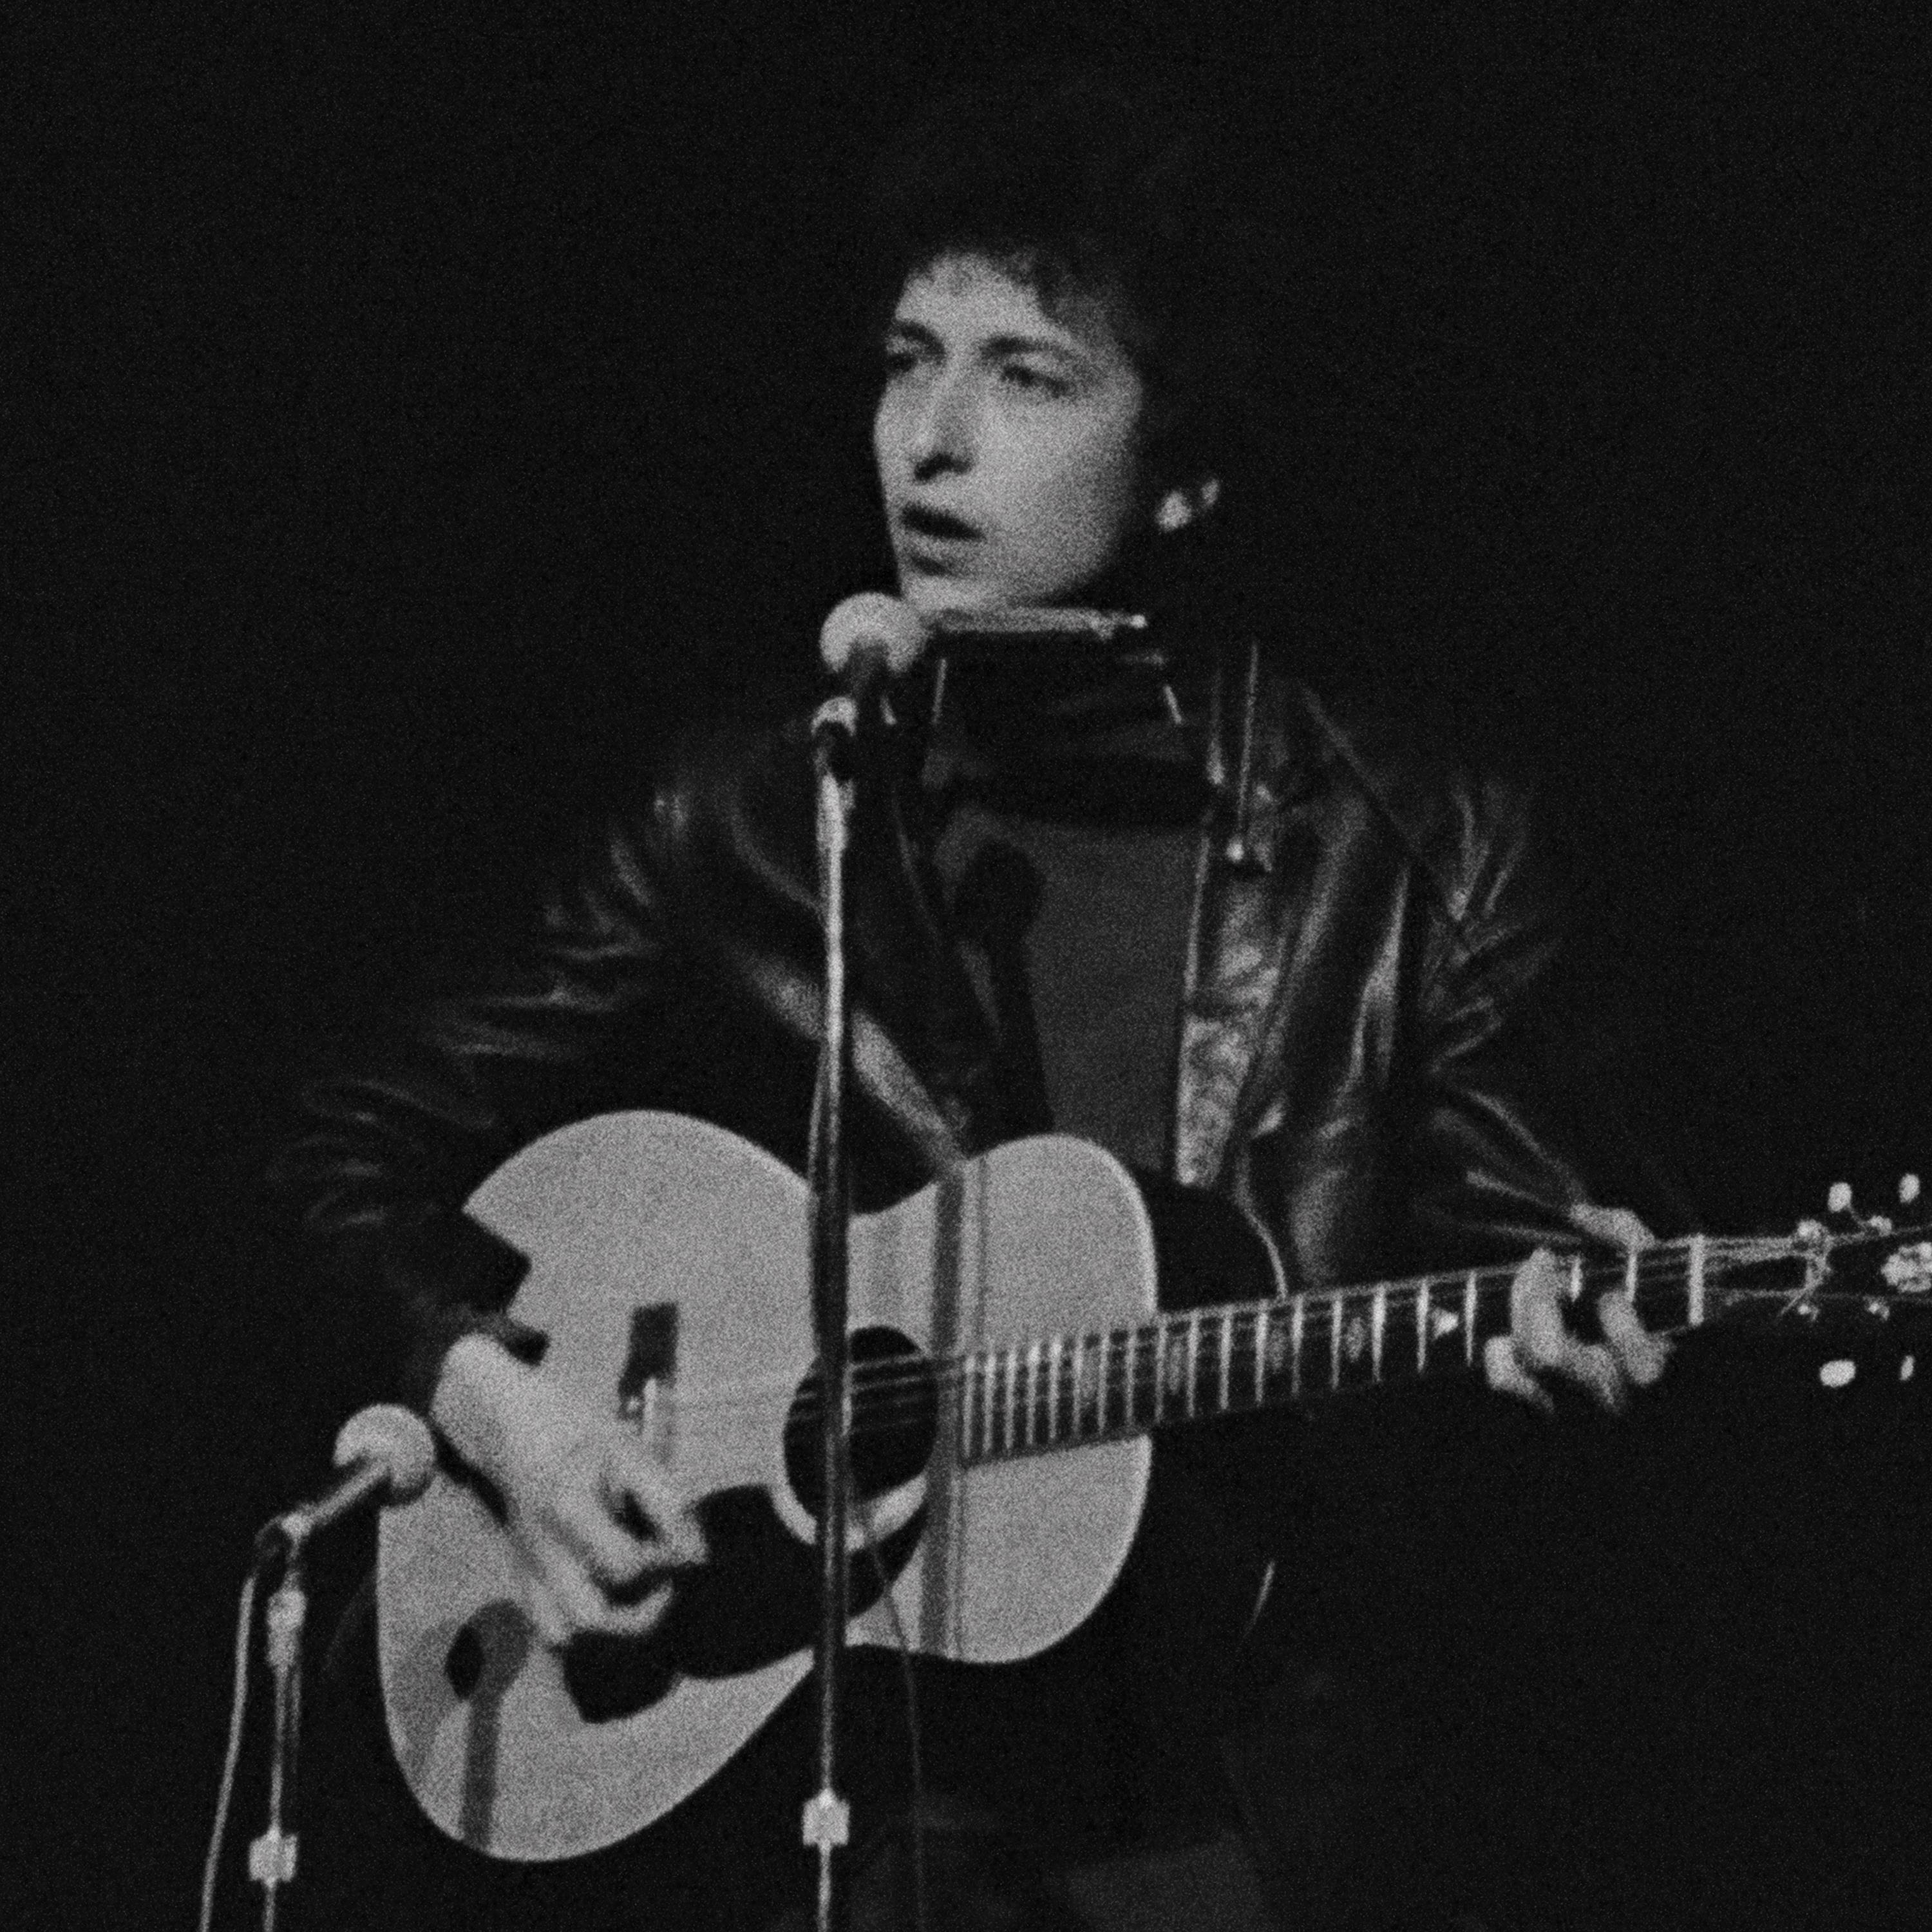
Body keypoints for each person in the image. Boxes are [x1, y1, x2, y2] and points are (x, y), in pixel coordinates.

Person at [271, 62, 1672, 1932]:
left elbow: (1522, 1295)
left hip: (1245, 1802)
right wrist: (504, 1410)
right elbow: (338, 1153)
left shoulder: (1422, 846)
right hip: (861, 1804)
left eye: (1029, 378)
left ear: (1185, 468)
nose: (929, 443)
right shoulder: (766, 807)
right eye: (905, 361)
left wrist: (1558, 1339)